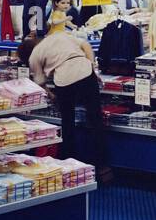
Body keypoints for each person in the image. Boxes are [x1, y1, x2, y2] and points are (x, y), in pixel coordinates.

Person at [19, 30, 112, 183]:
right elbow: (86, 45)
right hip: (85, 71)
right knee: (96, 120)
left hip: (64, 80)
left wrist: (51, 95)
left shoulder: (34, 55)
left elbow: (40, 82)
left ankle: (70, 168)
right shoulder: (59, 35)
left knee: (67, 124)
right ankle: (103, 168)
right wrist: (90, 64)